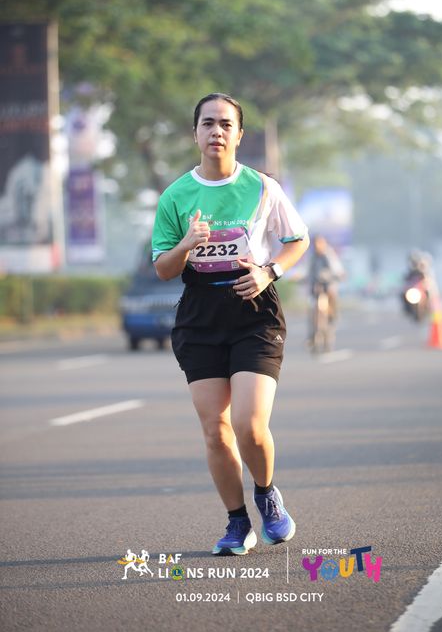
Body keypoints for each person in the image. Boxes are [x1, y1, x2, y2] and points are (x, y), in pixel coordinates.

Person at [152, 92, 310, 556]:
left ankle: (266, 493)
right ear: (195, 133)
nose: (216, 131)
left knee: (248, 424)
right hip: (200, 316)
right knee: (215, 429)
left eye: (226, 124)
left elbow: (297, 240)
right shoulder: (176, 196)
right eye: (208, 123)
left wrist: (268, 271)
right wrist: (186, 243)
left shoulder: (262, 187)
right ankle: (237, 522)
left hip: (253, 311)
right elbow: (163, 268)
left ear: (239, 135)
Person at [308, 235, 345, 325]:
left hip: (329, 282)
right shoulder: (313, 257)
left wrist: (340, 274)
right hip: (316, 283)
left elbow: (336, 267)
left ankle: (333, 314)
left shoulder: (329, 255)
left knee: (331, 292)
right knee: (313, 300)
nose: (318, 245)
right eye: (316, 243)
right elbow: (308, 270)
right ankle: (313, 324)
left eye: (320, 243)